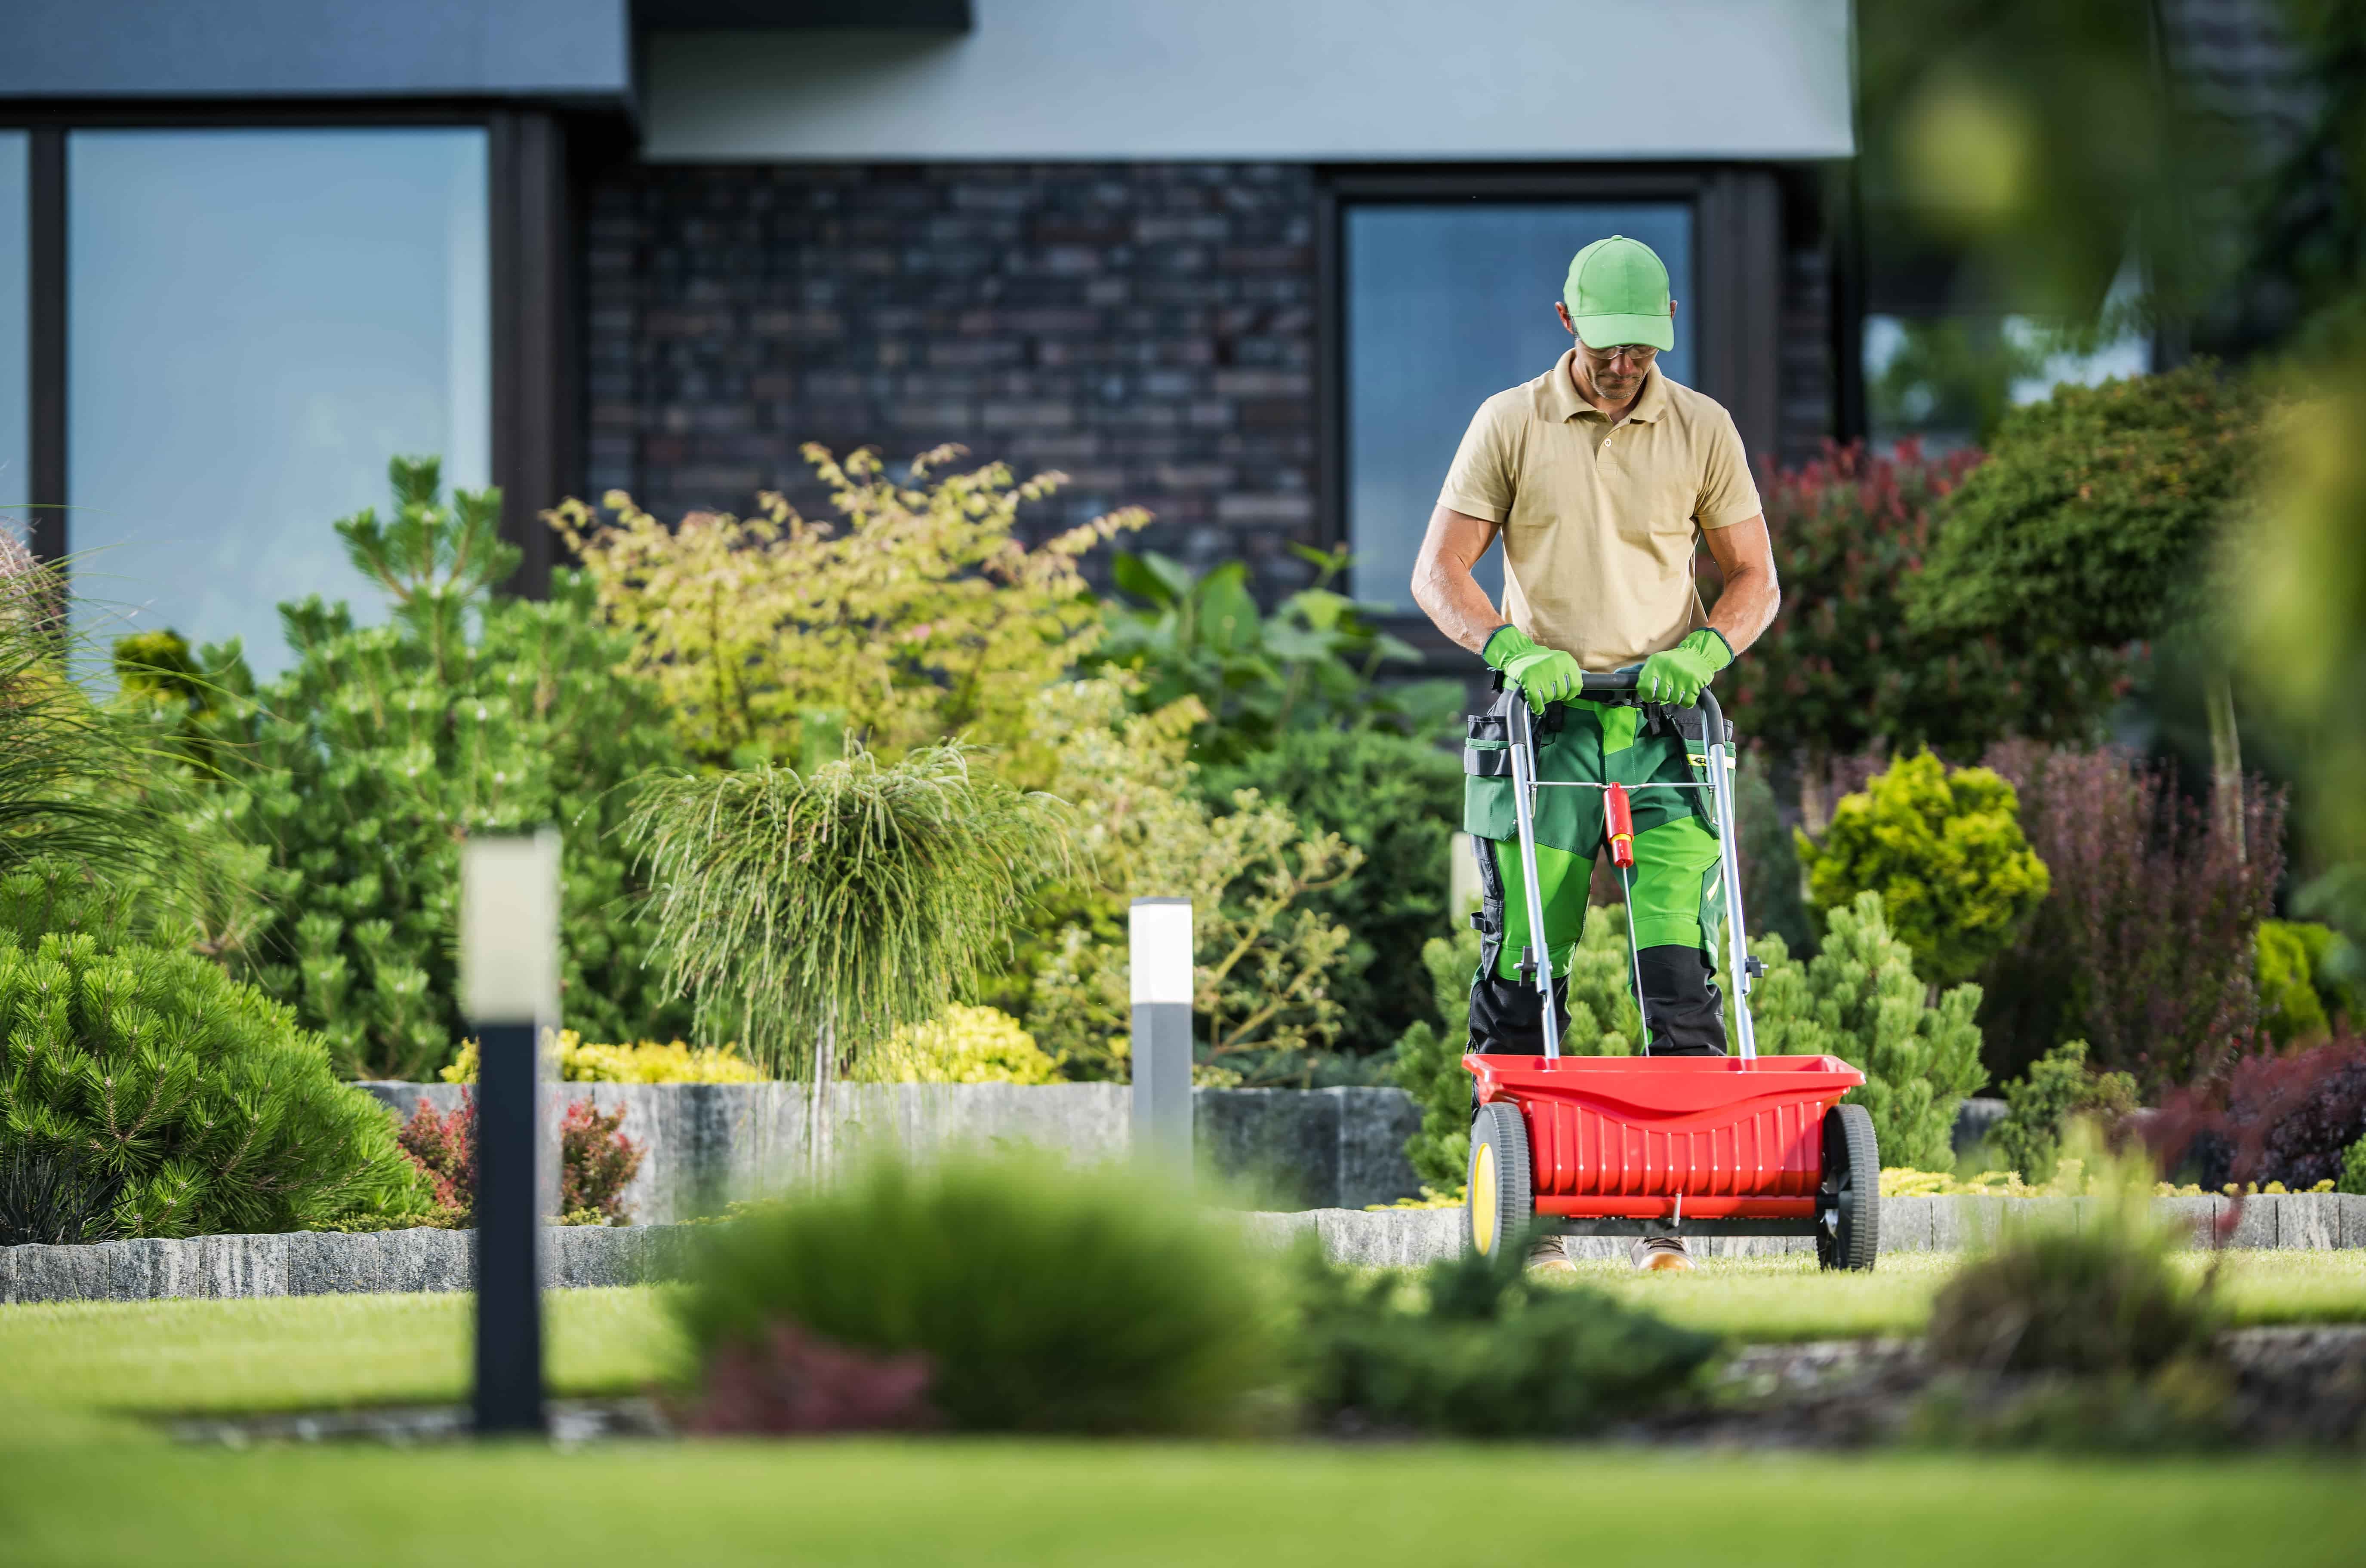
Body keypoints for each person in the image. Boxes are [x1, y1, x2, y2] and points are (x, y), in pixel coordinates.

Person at [1409, 235, 1781, 1273]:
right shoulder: (1508, 423)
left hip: (1666, 734)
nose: (1625, 366)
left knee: (1679, 962)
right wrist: (1507, 646)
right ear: (1567, 323)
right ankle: (1537, 1221)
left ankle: (1676, 1214)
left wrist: (1709, 644)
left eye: (1643, 347)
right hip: (1550, 727)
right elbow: (1438, 571)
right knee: (1527, 956)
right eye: (1608, 346)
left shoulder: (1700, 427)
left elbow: (1755, 574)